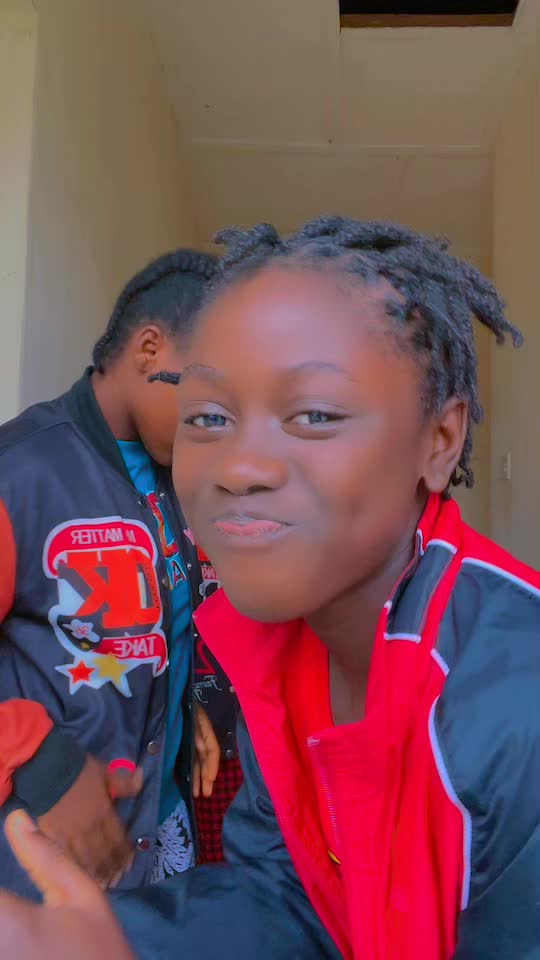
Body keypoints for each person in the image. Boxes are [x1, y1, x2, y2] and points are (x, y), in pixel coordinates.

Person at [1, 218, 539, 960]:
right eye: (209, 417)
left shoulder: (516, 709)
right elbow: (289, 901)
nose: (238, 466)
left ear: (439, 442)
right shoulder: (289, 649)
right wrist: (112, 941)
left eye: (314, 414)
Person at [0, 249, 226, 897]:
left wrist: (182, 701)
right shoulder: (20, 471)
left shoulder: (181, 475)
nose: (218, 424)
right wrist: (37, 758)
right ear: (151, 350)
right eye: (210, 399)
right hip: (39, 858)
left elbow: (154, 622)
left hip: (150, 836)